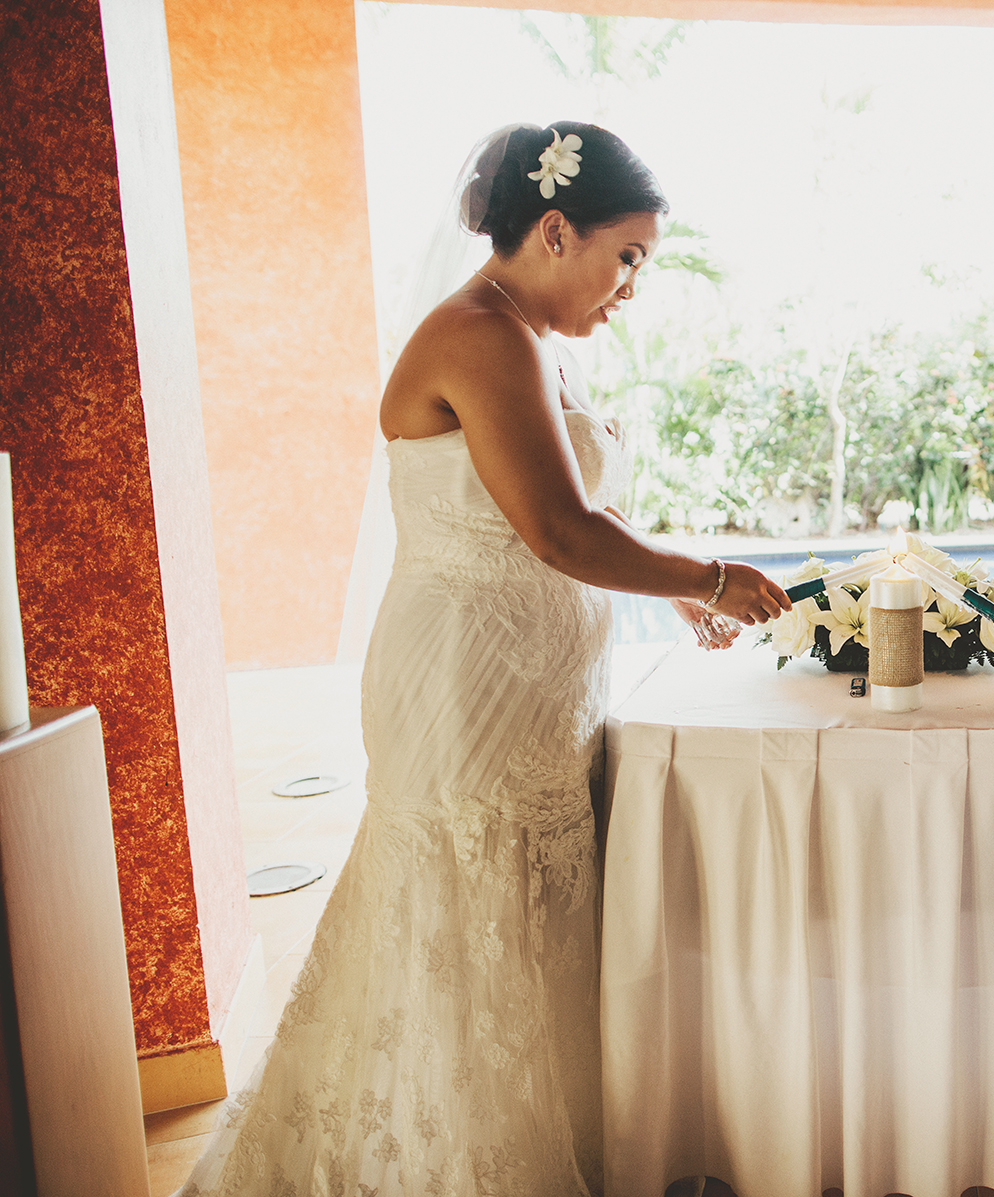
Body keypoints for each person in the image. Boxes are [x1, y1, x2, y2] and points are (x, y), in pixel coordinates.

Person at [179, 121, 790, 1196]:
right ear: (555, 230)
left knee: (521, 923)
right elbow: (555, 529)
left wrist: (668, 599)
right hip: (466, 690)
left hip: (526, 692)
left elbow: (558, 526)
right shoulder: (478, 334)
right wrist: (703, 579)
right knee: (465, 922)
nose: (632, 286)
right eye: (628, 256)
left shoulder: (523, 335)